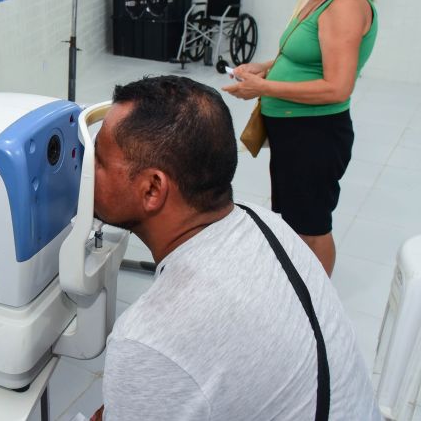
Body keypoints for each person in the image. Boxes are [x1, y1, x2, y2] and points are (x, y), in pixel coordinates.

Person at [90, 76, 379, 420]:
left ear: (153, 188)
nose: (85, 171)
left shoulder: (149, 339)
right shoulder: (264, 224)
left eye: (99, 161)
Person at [223, 0, 378, 276]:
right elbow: (301, 55)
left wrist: (262, 88)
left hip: (317, 134)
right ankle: (295, 287)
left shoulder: (345, 5)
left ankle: (316, 305)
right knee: (293, 217)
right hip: (296, 130)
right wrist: (263, 67)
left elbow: (337, 87)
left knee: (311, 227)